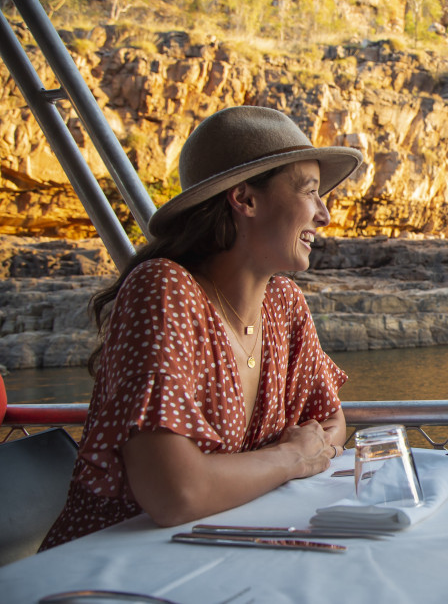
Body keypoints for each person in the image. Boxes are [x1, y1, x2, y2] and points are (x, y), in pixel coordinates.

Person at [42, 106, 364, 548]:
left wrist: (302, 452)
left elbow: (329, 420)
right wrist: (292, 457)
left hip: (222, 546)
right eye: (310, 192)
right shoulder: (164, 289)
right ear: (246, 199)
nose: (324, 215)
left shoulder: (284, 303)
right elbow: (176, 493)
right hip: (110, 565)